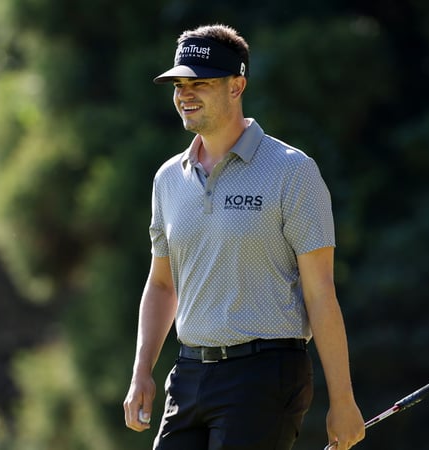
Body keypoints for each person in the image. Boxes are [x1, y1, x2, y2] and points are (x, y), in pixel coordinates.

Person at [123, 24, 365, 450]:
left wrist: (342, 401)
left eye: (200, 83)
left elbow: (321, 290)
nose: (185, 94)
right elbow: (162, 284)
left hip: (265, 374)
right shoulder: (167, 179)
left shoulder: (292, 171)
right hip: (190, 374)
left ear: (237, 86)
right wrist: (142, 370)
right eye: (179, 84)